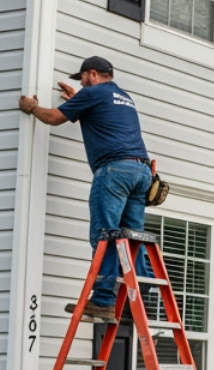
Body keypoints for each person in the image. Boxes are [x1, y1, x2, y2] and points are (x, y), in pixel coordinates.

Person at [18, 56, 151, 323]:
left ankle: (103, 300)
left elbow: (54, 118)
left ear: (92, 74)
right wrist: (78, 100)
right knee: (133, 239)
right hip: (141, 171)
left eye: (82, 79)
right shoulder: (123, 97)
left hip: (114, 172)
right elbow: (102, 121)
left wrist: (32, 107)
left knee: (105, 235)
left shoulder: (94, 93)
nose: (81, 84)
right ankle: (137, 299)